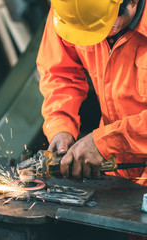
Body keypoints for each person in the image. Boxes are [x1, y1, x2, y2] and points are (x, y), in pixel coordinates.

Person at [36, 0, 147, 186]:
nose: (104, 36)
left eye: (106, 24)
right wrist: (60, 127)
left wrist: (107, 143)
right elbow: (60, 72)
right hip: (120, 177)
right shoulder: (70, 10)